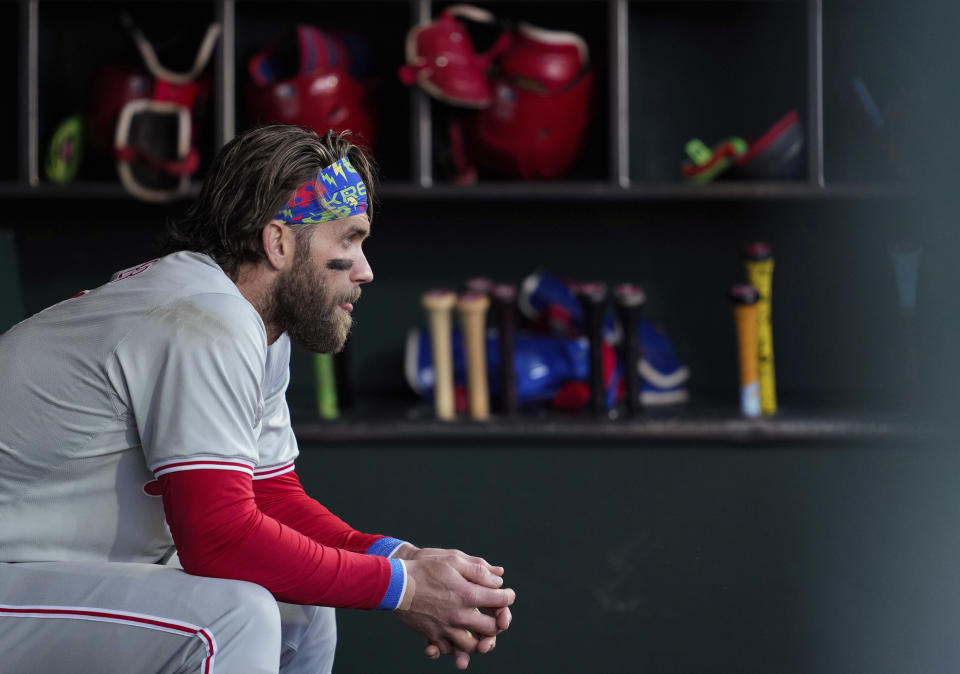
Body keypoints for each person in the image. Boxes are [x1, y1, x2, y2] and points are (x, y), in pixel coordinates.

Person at [0, 124, 515, 673]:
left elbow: (269, 498)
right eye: (348, 239)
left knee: (301, 604)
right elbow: (218, 540)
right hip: (17, 570)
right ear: (278, 243)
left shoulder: (250, 325)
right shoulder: (204, 318)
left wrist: (401, 559)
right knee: (234, 614)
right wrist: (406, 589)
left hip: (40, 569)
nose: (365, 271)